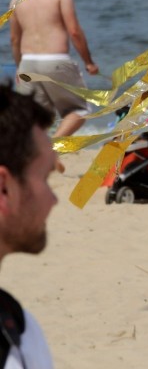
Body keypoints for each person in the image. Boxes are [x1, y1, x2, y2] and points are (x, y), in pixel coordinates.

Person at [9, 0, 99, 138]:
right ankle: (54, 146)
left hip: (28, 64)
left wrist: (20, 68)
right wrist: (89, 62)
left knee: (37, 121)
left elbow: (14, 39)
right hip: (55, 61)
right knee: (79, 111)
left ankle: (34, 162)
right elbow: (74, 32)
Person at [0, 85, 58, 368]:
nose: (53, 200)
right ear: (4, 188)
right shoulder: (19, 334)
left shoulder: (15, 323)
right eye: (45, 178)